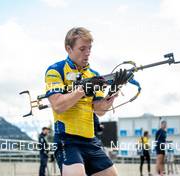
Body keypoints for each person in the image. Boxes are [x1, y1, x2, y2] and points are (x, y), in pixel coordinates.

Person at [44, 27, 128, 176]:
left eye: (89, 48)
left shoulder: (93, 75)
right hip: (67, 140)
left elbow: (100, 110)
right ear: (68, 48)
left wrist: (113, 91)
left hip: (90, 141)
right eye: (82, 49)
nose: (87, 53)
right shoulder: (55, 70)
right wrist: (83, 88)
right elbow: (58, 105)